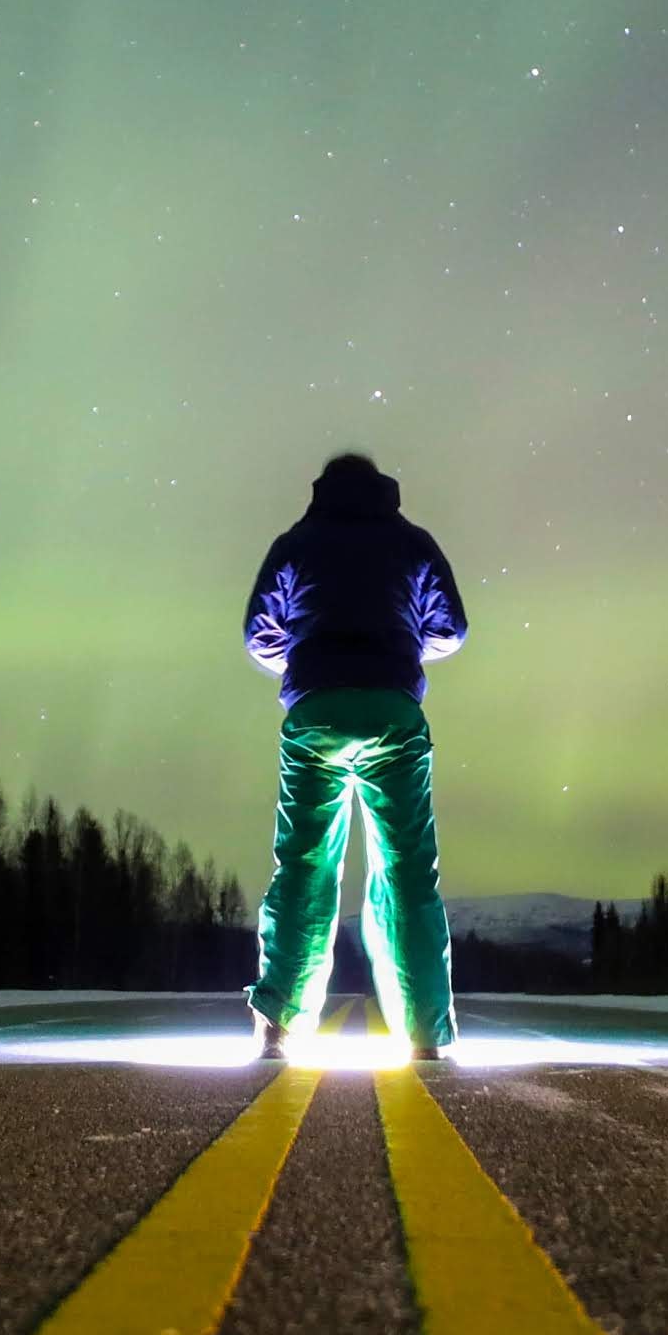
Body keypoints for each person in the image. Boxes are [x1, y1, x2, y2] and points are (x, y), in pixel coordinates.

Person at [238, 451, 468, 1060]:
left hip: (315, 712)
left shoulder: (296, 541)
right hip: (393, 710)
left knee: (305, 864)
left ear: (323, 487)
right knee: (408, 868)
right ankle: (424, 1030)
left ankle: (280, 1022)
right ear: (384, 488)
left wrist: (302, 662)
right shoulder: (413, 542)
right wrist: (407, 646)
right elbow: (453, 629)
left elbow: (258, 634)